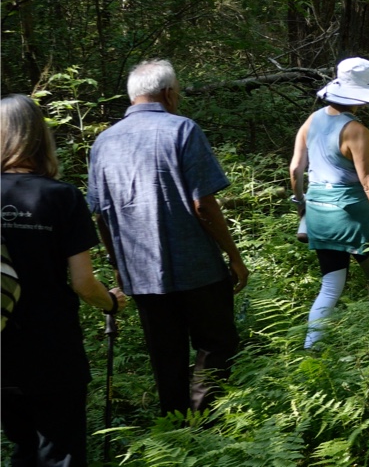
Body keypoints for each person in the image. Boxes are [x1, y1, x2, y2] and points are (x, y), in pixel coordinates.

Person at [87, 60, 248, 417]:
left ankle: (174, 426)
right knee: (216, 342)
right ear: (169, 93)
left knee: (165, 352)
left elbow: (101, 215)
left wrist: (118, 265)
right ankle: (205, 422)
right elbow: (203, 204)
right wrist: (234, 257)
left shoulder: (103, 143)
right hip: (199, 268)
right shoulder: (183, 130)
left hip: (142, 272)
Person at [1, 94, 129, 466]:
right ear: (39, 137)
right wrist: (111, 302)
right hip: (52, 348)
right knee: (60, 451)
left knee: (21, 448)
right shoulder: (63, 197)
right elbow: (83, 283)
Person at [291, 57, 369, 346]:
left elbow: (295, 169)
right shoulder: (357, 131)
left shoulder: (313, 119)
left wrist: (301, 205)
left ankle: (311, 350)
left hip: (319, 213)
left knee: (331, 286)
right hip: (353, 216)